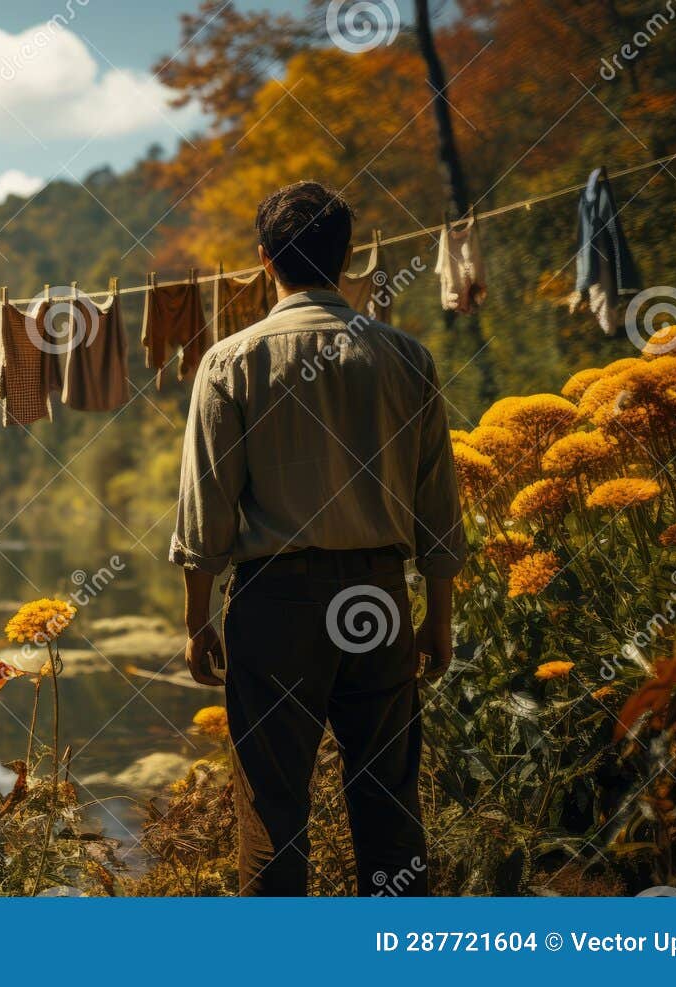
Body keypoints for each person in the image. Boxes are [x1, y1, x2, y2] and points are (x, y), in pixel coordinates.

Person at [170, 181, 464, 896]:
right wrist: (440, 619)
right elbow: (438, 507)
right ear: (350, 258)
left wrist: (197, 618)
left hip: (276, 604)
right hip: (379, 598)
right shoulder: (406, 357)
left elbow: (205, 508)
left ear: (264, 259)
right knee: (389, 800)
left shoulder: (230, 361)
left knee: (272, 808)